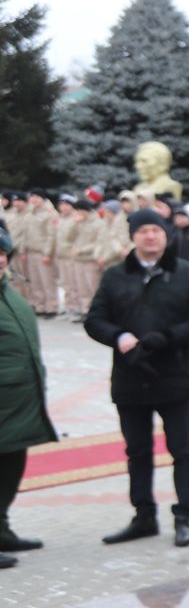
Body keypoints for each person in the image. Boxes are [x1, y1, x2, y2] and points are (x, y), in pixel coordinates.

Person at [84, 206, 189, 547]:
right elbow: (94, 320)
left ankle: (183, 516)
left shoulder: (186, 273)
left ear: (165, 234)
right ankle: (144, 516)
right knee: (138, 451)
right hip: (130, 376)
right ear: (134, 237)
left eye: (156, 230)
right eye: (143, 231)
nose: (150, 236)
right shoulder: (115, 276)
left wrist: (168, 336)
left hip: (172, 375)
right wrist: (118, 337)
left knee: (182, 450)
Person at [0, 229, 54, 569]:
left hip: (17, 404)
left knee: (10, 467)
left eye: (2, 254)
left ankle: (1, 529)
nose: (0, 261)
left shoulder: (10, 294)